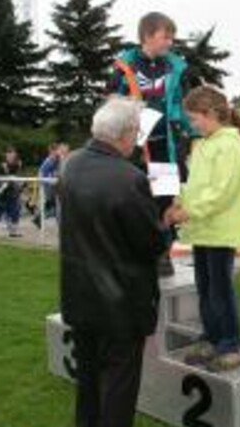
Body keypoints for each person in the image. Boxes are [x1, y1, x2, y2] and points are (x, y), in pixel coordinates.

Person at [59, 97, 170, 427]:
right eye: (136, 132)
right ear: (125, 134)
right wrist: (166, 222)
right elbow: (150, 243)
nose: (137, 139)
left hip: (80, 295)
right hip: (119, 303)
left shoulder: (71, 164)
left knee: (89, 384)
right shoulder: (129, 178)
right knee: (118, 391)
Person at [166, 86, 240, 372]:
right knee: (205, 287)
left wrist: (188, 211)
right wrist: (179, 200)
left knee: (220, 288)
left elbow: (222, 192)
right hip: (205, 228)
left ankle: (232, 344)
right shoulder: (205, 143)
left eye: (194, 119)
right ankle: (212, 338)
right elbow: (198, 186)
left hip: (221, 229)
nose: (192, 125)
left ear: (211, 114)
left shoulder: (230, 145)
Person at [110, 11, 195, 277]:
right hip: (132, 149)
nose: (170, 42)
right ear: (147, 36)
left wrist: (197, 133)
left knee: (164, 202)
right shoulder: (124, 66)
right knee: (134, 201)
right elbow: (112, 102)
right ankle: (131, 254)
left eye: (172, 37)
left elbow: (183, 106)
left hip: (163, 148)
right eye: (165, 36)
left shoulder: (174, 67)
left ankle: (162, 253)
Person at [33, 142, 68, 229]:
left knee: (54, 206)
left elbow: (62, 170)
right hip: (49, 186)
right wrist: (47, 182)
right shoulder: (50, 160)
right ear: (53, 151)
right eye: (59, 150)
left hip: (55, 186)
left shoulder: (57, 159)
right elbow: (41, 173)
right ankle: (39, 218)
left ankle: (38, 218)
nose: (61, 152)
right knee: (55, 206)